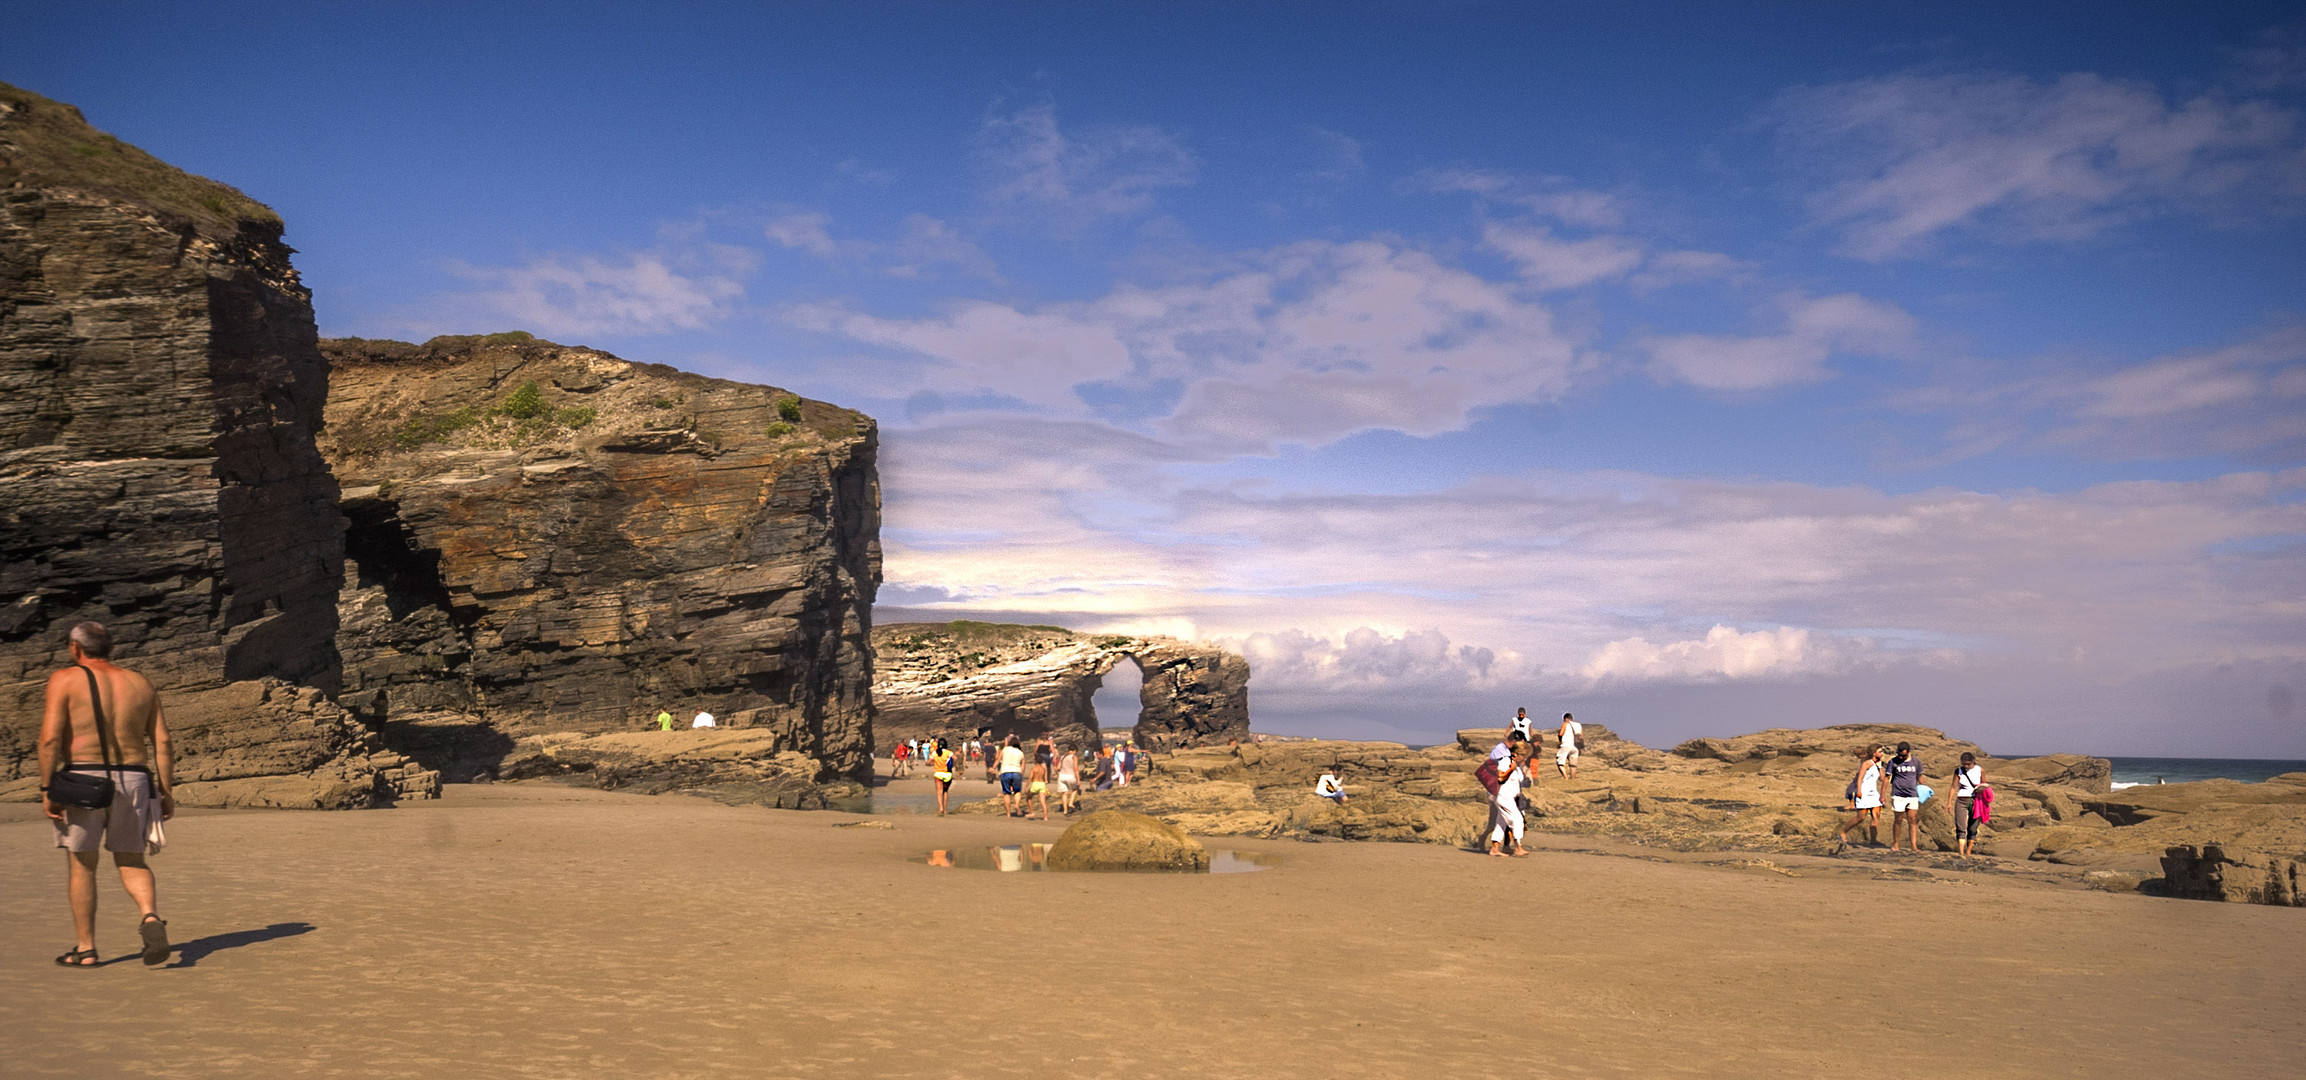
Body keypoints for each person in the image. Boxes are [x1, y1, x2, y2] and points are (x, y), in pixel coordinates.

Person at [39, 622, 175, 968]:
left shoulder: (65, 679)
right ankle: (149, 917)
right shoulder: (140, 682)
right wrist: (166, 790)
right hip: (135, 780)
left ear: (74, 648)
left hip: (83, 781)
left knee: (83, 865)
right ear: (111, 648)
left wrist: (46, 788)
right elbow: (162, 741)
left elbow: (51, 739)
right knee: (132, 859)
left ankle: (86, 949)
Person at [1488, 743, 1534, 857]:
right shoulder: (1506, 762)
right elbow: (1500, 777)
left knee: (1501, 821)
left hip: (1510, 797)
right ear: (1516, 754)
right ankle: (1518, 847)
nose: (1525, 758)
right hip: (1502, 795)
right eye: (1524, 756)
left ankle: (1495, 848)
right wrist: (1510, 770)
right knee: (1517, 819)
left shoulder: (1517, 766)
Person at [1838, 747, 1885, 851]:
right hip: (1864, 792)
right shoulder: (1866, 763)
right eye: (1880, 751)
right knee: (1861, 817)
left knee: (1876, 815)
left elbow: (1882, 779)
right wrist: (1859, 791)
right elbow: (1859, 778)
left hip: (1874, 794)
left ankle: (1873, 840)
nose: (1882, 753)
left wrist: (1880, 767)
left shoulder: (1877, 764)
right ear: (1874, 752)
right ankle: (1843, 832)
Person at [1884, 741, 1926, 853]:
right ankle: (1895, 843)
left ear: (1909, 752)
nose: (1901, 757)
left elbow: (1920, 776)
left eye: (1903, 755)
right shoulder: (1893, 761)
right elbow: (1886, 778)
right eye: (1899, 755)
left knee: (1912, 820)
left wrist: (1924, 789)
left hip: (1912, 794)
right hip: (1898, 794)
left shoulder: (1916, 761)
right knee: (1898, 820)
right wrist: (1882, 795)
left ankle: (1914, 845)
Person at [1952, 752, 1985, 857]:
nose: (1966, 766)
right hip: (1961, 800)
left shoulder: (1979, 770)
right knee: (1960, 826)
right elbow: (1953, 787)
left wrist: (1981, 789)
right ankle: (1961, 852)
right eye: (1964, 764)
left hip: (1976, 801)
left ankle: (1969, 851)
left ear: (1973, 761)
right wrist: (1949, 802)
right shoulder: (1959, 771)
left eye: (1968, 764)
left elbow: (1985, 784)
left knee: (1973, 827)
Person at [997, 735, 1026, 817]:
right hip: (1017, 772)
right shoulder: (1021, 753)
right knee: (1017, 791)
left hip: (1005, 772)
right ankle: (1017, 805)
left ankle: (1008, 813)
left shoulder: (1005, 749)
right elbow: (1023, 765)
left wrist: (993, 767)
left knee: (1006, 793)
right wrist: (1021, 775)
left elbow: (998, 759)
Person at [927, 739, 957, 816]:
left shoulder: (934, 752)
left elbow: (928, 762)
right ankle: (945, 810)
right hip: (947, 773)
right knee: (945, 791)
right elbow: (955, 758)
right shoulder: (948, 752)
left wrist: (930, 763)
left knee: (939, 791)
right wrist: (952, 765)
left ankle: (941, 809)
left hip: (938, 773)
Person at [1556, 713, 1583, 779]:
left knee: (1560, 763)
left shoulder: (1565, 724)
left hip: (1566, 745)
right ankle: (1572, 780)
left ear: (1566, 719)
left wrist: (1559, 742)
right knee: (1573, 765)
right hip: (1575, 747)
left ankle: (1566, 778)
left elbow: (1560, 734)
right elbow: (1581, 736)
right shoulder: (1578, 725)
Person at [1056, 746, 1082, 814]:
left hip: (1062, 776)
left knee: (1064, 793)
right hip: (1070, 775)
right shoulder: (1074, 757)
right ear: (1074, 750)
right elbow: (1075, 769)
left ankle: (1065, 810)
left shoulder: (1062, 756)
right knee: (1075, 789)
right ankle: (1070, 803)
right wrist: (1078, 779)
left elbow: (1058, 768)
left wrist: (1058, 774)